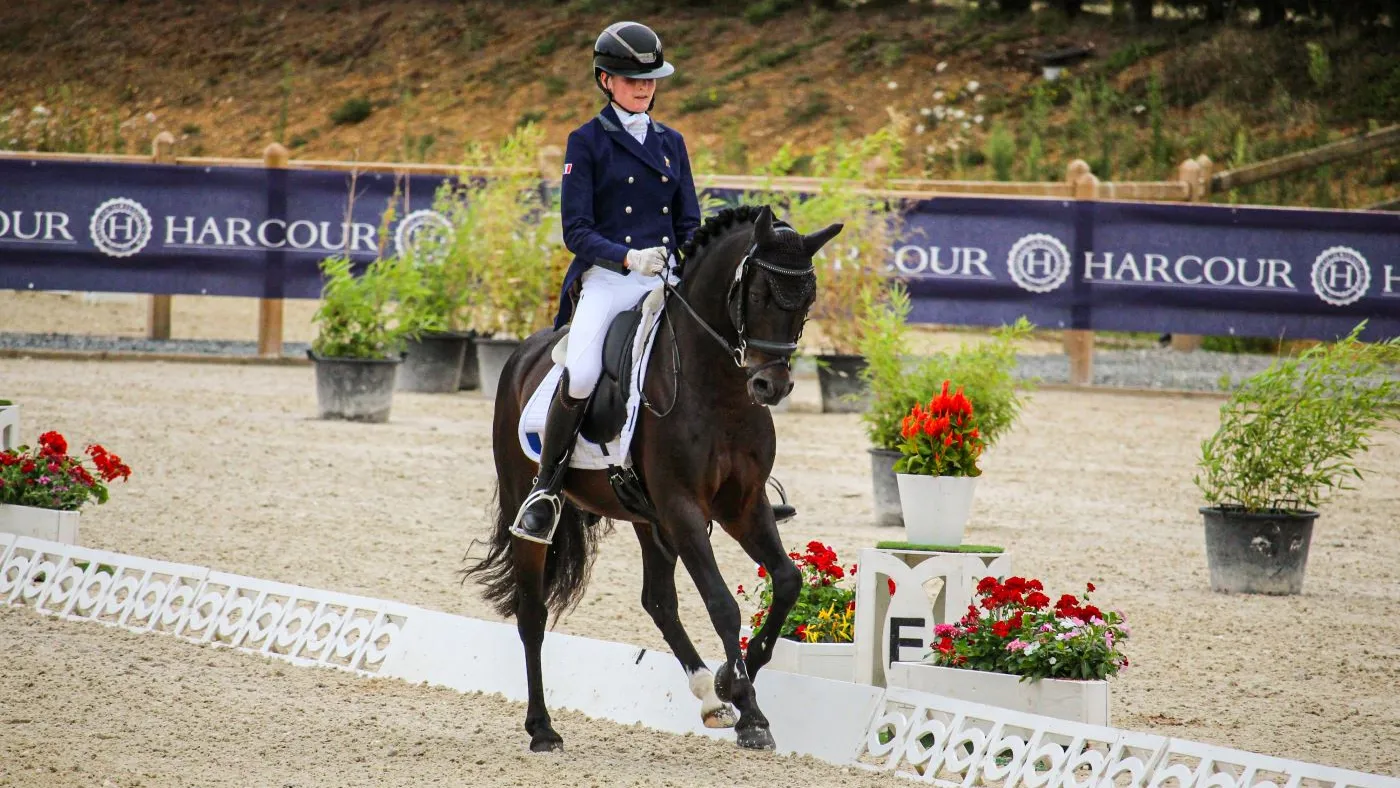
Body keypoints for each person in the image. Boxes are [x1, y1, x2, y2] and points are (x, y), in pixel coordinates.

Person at [509, 21, 791, 544]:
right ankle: (546, 491)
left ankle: (749, 481)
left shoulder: (671, 142)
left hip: (665, 277)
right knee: (584, 370)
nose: (644, 87)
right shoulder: (586, 142)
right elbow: (576, 231)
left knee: (721, 353)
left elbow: (689, 222)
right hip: (609, 279)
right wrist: (625, 258)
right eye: (630, 78)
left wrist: (686, 262)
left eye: (650, 78)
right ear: (604, 80)